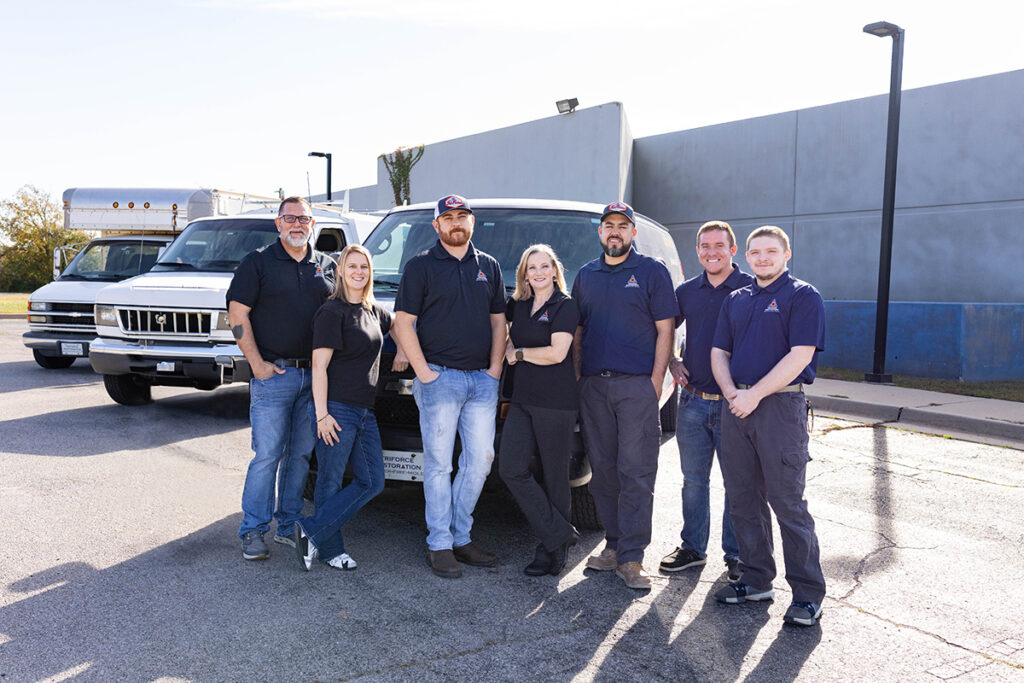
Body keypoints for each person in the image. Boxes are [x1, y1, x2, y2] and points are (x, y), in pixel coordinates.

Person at [710, 225, 827, 627]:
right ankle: (757, 578)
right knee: (742, 498)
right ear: (747, 255)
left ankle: (808, 594)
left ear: (786, 254)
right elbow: (718, 351)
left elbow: (800, 355)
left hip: (779, 407)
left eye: (770, 252)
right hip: (736, 406)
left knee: (787, 503)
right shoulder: (736, 299)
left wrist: (754, 394)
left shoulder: (803, 296)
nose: (762, 258)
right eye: (755, 252)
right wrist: (730, 393)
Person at [390, 194, 506, 578]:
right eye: (449, 218)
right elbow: (403, 321)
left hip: (481, 382)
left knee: (480, 461)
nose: (457, 223)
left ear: (472, 223)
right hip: (440, 379)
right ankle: (439, 544)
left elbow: (497, 323)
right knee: (438, 465)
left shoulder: (488, 265)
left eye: (463, 217)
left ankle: (461, 537)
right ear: (437, 225)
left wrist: (493, 370)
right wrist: (425, 374)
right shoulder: (421, 266)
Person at [572, 201, 676, 590]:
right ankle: (613, 546)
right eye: (608, 226)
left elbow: (666, 329)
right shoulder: (586, 275)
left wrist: (654, 381)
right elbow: (579, 332)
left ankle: (633, 557)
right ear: (600, 233)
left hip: (636, 387)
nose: (615, 232)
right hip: (595, 386)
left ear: (633, 232)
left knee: (636, 472)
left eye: (622, 226)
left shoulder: (651, 272)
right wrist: (581, 378)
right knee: (603, 472)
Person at [227, 196, 335, 560]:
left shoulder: (326, 266)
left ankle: (288, 525)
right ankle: (253, 530)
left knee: (301, 456)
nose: (297, 225)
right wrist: (256, 363)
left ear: (313, 224)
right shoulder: (257, 262)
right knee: (268, 454)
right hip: (274, 375)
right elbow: (237, 313)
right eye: (290, 218)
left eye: (304, 219)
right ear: (277, 223)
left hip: (316, 378)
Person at [660, 220, 753, 580]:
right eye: (704, 246)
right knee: (693, 480)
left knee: (736, 482)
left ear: (733, 250)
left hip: (736, 404)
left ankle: (736, 554)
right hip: (693, 401)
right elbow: (664, 328)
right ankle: (693, 548)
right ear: (696, 250)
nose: (711, 252)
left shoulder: (750, 288)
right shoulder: (686, 291)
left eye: (719, 245)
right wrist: (671, 360)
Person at [294, 245, 391, 571]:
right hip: (336, 409)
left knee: (373, 481)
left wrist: (406, 349)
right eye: (352, 266)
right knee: (330, 481)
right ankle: (330, 549)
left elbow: (403, 324)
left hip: (365, 411)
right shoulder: (331, 313)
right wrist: (322, 415)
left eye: (364, 266)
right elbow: (318, 366)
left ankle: (311, 531)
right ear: (341, 271)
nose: (358, 272)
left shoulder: (373, 311)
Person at [499, 244, 581, 576]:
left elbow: (557, 353)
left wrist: (518, 354)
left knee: (554, 476)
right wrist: (508, 347)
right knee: (511, 468)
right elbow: (502, 332)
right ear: (524, 273)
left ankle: (552, 550)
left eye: (544, 266)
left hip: (555, 402)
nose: (538, 273)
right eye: (531, 268)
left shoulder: (565, 306)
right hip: (522, 399)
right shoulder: (517, 305)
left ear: (555, 270)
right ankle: (559, 534)